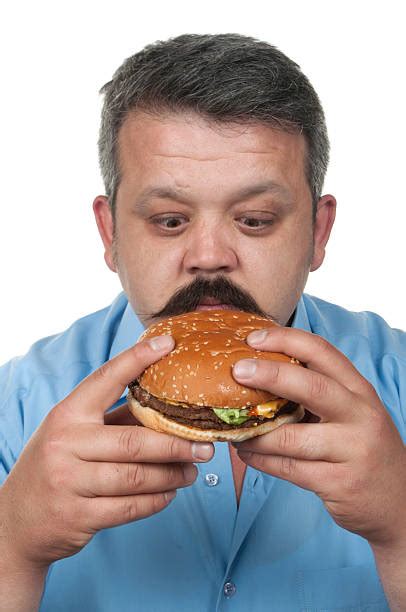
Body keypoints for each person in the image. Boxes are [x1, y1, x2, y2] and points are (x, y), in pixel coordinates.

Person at [0, 32, 405, 612]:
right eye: (169, 220)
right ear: (110, 233)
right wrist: (11, 543)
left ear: (317, 232)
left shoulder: (398, 381)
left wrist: (401, 525)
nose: (210, 254)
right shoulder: (16, 409)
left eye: (256, 219)